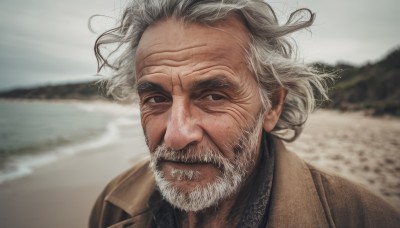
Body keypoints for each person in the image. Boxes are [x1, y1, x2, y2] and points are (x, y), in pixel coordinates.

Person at [89, 0, 400, 227]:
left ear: (272, 106)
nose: (176, 134)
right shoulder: (112, 205)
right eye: (156, 98)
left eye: (213, 95)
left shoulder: (365, 218)